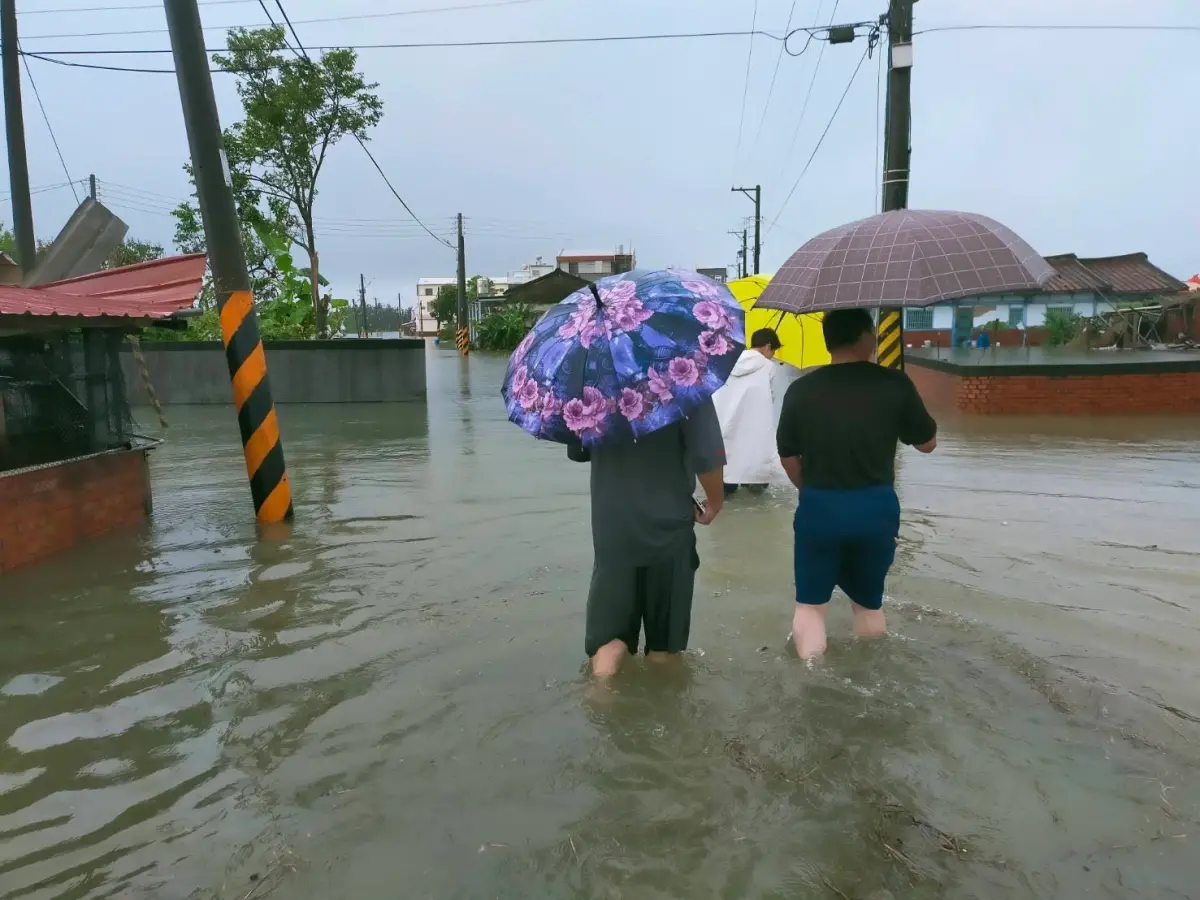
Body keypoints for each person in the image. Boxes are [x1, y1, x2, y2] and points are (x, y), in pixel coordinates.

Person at [775, 308, 938, 659]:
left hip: (820, 505)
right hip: (875, 507)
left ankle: (810, 679)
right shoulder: (895, 384)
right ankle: (872, 674)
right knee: (868, 606)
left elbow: (787, 454)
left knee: (810, 607)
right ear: (867, 336)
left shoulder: (801, 390)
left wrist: (810, 489)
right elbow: (927, 443)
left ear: (826, 340)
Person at [568, 399, 726, 677]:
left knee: (608, 647)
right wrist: (714, 504)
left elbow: (579, 450)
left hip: (612, 526)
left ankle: (601, 705)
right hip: (669, 525)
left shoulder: (592, 382)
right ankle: (663, 712)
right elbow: (707, 456)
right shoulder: (688, 378)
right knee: (663, 651)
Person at [713, 327, 782, 498]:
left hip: (725, 422)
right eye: (773, 350)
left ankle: (727, 488)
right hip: (753, 427)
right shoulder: (769, 367)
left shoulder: (728, 361)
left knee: (726, 476)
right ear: (767, 346)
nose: (773, 355)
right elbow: (772, 397)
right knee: (756, 486)